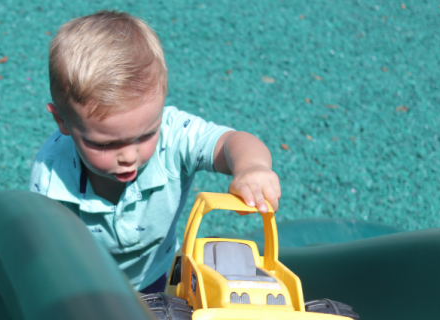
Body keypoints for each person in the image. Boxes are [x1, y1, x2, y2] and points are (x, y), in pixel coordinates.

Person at [29, 10, 281, 294]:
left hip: (155, 276)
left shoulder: (174, 136)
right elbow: (45, 247)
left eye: (145, 134)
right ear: (62, 120)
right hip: (90, 288)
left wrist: (252, 167)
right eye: (105, 144)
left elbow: (230, 142)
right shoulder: (51, 175)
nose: (128, 156)